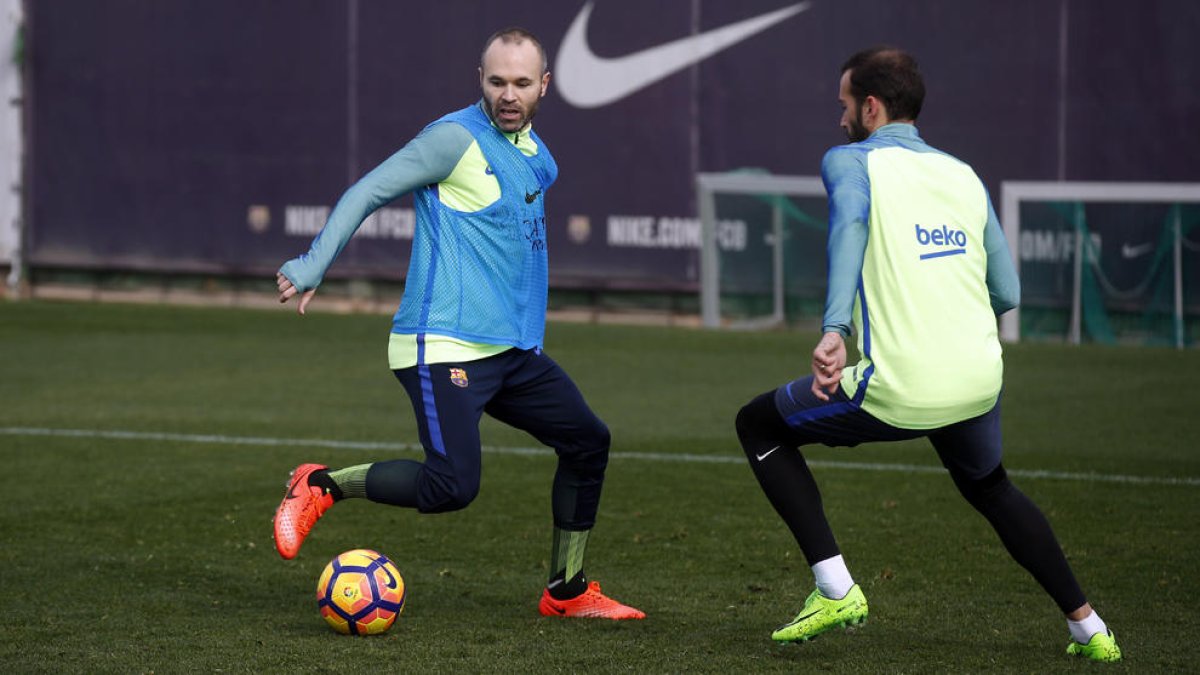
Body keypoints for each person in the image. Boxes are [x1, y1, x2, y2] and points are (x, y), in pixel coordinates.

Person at [734, 47, 1120, 662]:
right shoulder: (963, 173)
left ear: (870, 106)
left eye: (843, 107)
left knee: (758, 424)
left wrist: (835, 326)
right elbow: (1009, 292)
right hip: (979, 378)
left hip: (903, 386)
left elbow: (850, 224)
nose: (839, 121)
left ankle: (835, 589)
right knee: (992, 488)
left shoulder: (850, 161)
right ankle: (1091, 627)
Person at [272, 27, 643, 621]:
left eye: (522, 83)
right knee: (453, 487)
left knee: (588, 440)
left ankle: (567, 592)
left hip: (512, 353)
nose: (509, 94)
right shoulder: (452, 139)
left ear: (544, 85)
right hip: (440, 344)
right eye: (497, 81)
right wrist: (314, 263)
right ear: (481, 79)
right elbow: (368, 190)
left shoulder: (537, 157)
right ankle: (322, 484)